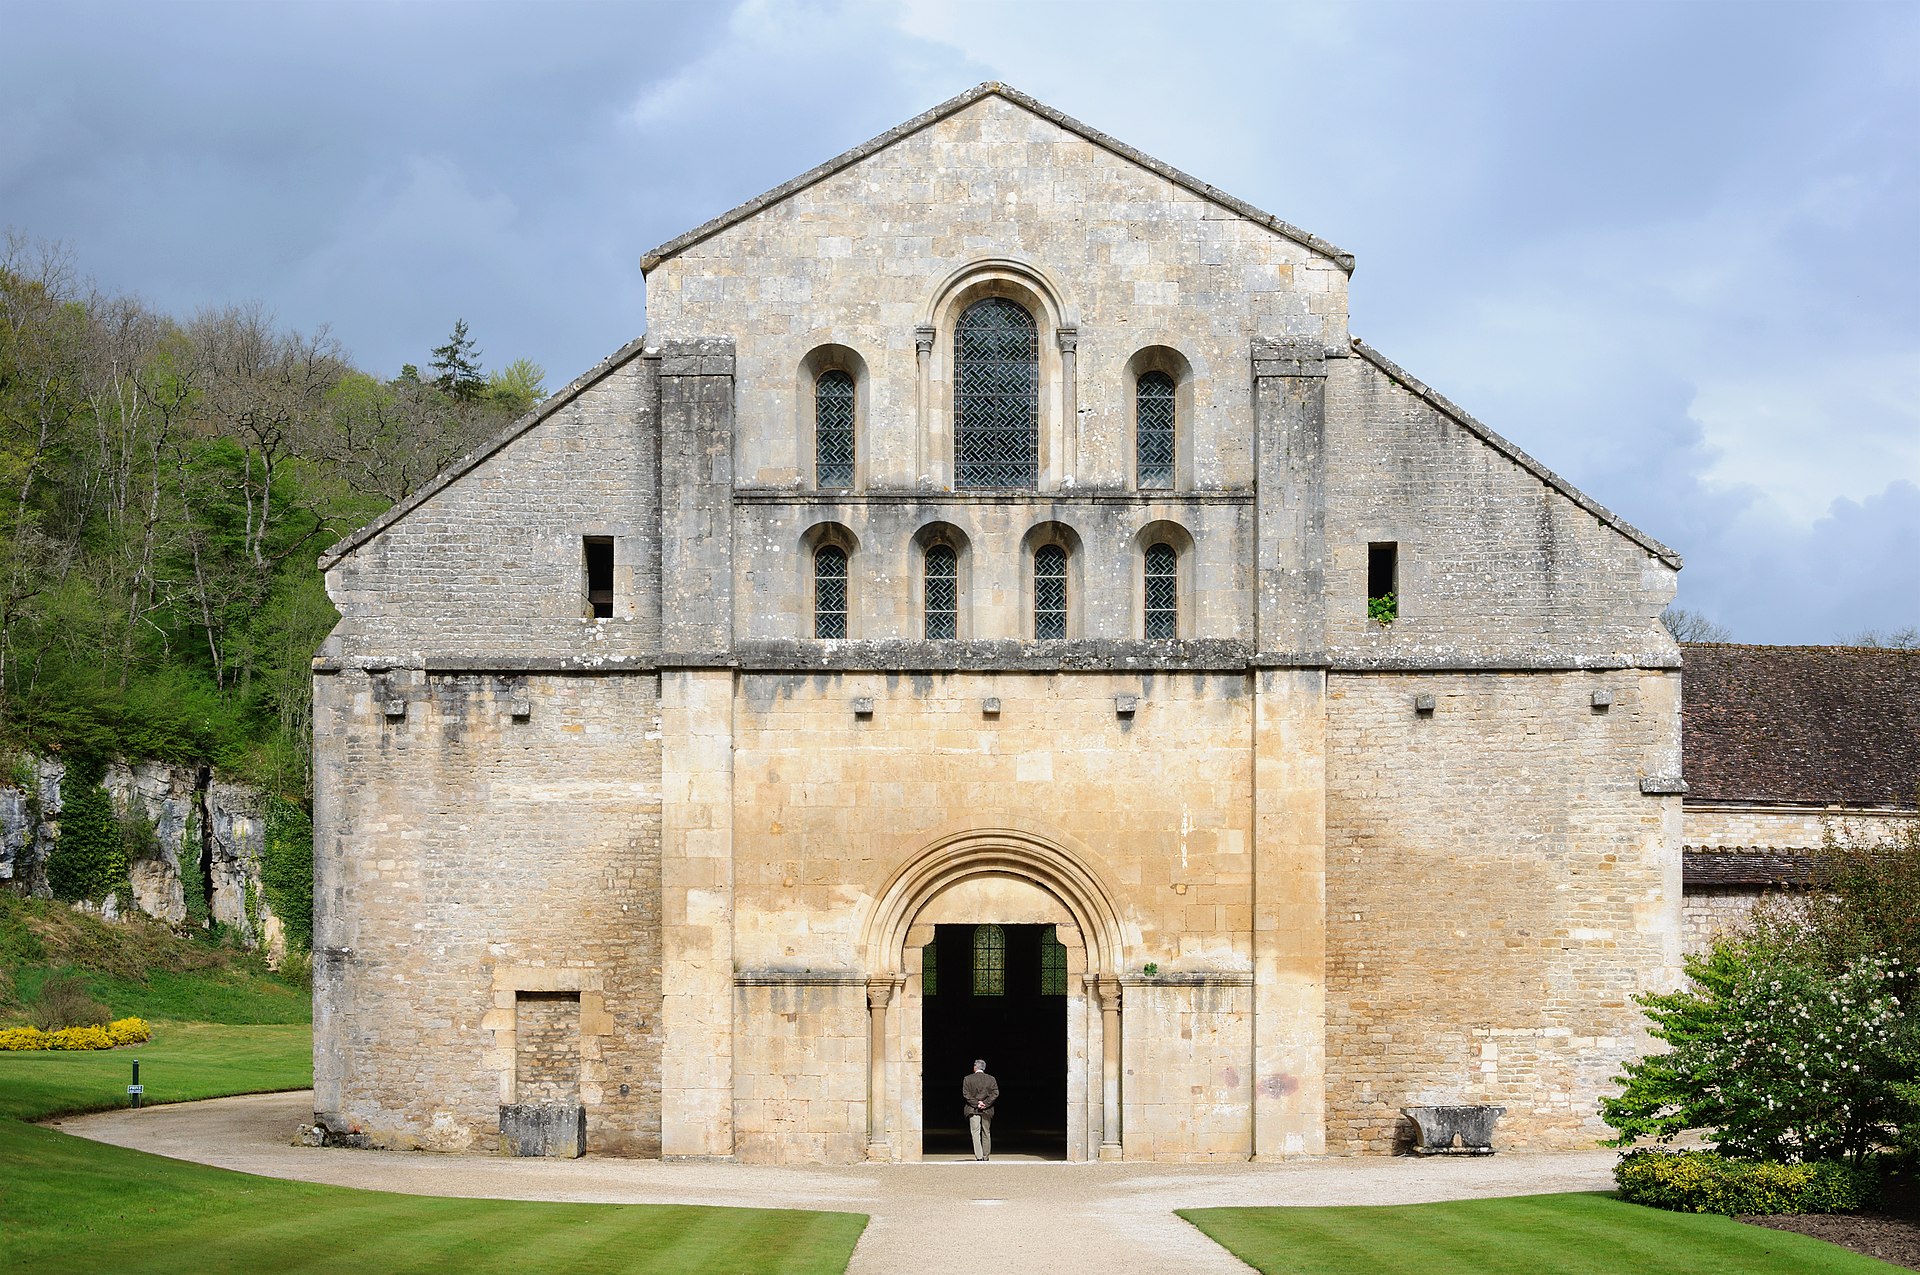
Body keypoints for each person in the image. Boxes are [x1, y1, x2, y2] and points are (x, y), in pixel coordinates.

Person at [962, 1058, 998, 1161]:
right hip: (987, 1109)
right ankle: (986, 1156)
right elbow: (995, 1093)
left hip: (973, 1109)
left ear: (975, 1067)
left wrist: (977, 1103)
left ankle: (979, 1156)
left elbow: (966, 1094)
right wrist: (985, 1104)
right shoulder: (991, 1079)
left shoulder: (967, 1079)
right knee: (986, 1132)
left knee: (975, 1132)